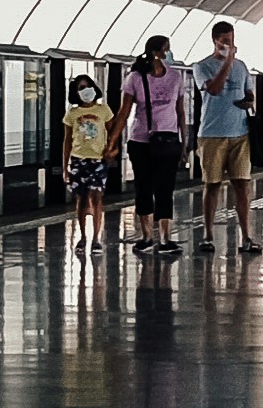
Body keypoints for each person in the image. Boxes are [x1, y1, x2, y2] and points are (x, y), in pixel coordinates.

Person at [119, 33, 197, 258]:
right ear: (155, 53)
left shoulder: (175, 77)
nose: (168, 53)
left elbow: (180, 111)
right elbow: (124, 112)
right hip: (141, 141)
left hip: (168, 141)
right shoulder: (135, 78)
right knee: (143, 188)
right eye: (166, 49)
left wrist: (184, 141)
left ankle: (165, 238)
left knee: (165, 189)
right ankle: (146, 236)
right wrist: (113, 141)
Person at [189, 20, 260, 251]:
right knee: (212, 185)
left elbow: (249, 92)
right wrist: (227, 61)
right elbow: (214, 89)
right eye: (225, 41)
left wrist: (249, 100)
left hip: (240, 133)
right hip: (212, 134)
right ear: (215, 41)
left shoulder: (242, 66)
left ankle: (246, 237)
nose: (229, 45)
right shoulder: (201, 67)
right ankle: (208, 235)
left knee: (242, 185)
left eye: (231, 40)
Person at [59, 66, 117, 238]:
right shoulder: (72, 114)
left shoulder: (103, 110)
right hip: (79, 160)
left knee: (97, 197)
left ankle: (96, 237)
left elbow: (113, 134)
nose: (85, 90)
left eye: (88, 86)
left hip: (98, 159)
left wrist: (112, 150)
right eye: (81, 88)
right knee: (82, 198)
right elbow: (67, 141)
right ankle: (83, 236)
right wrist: (65, 167)